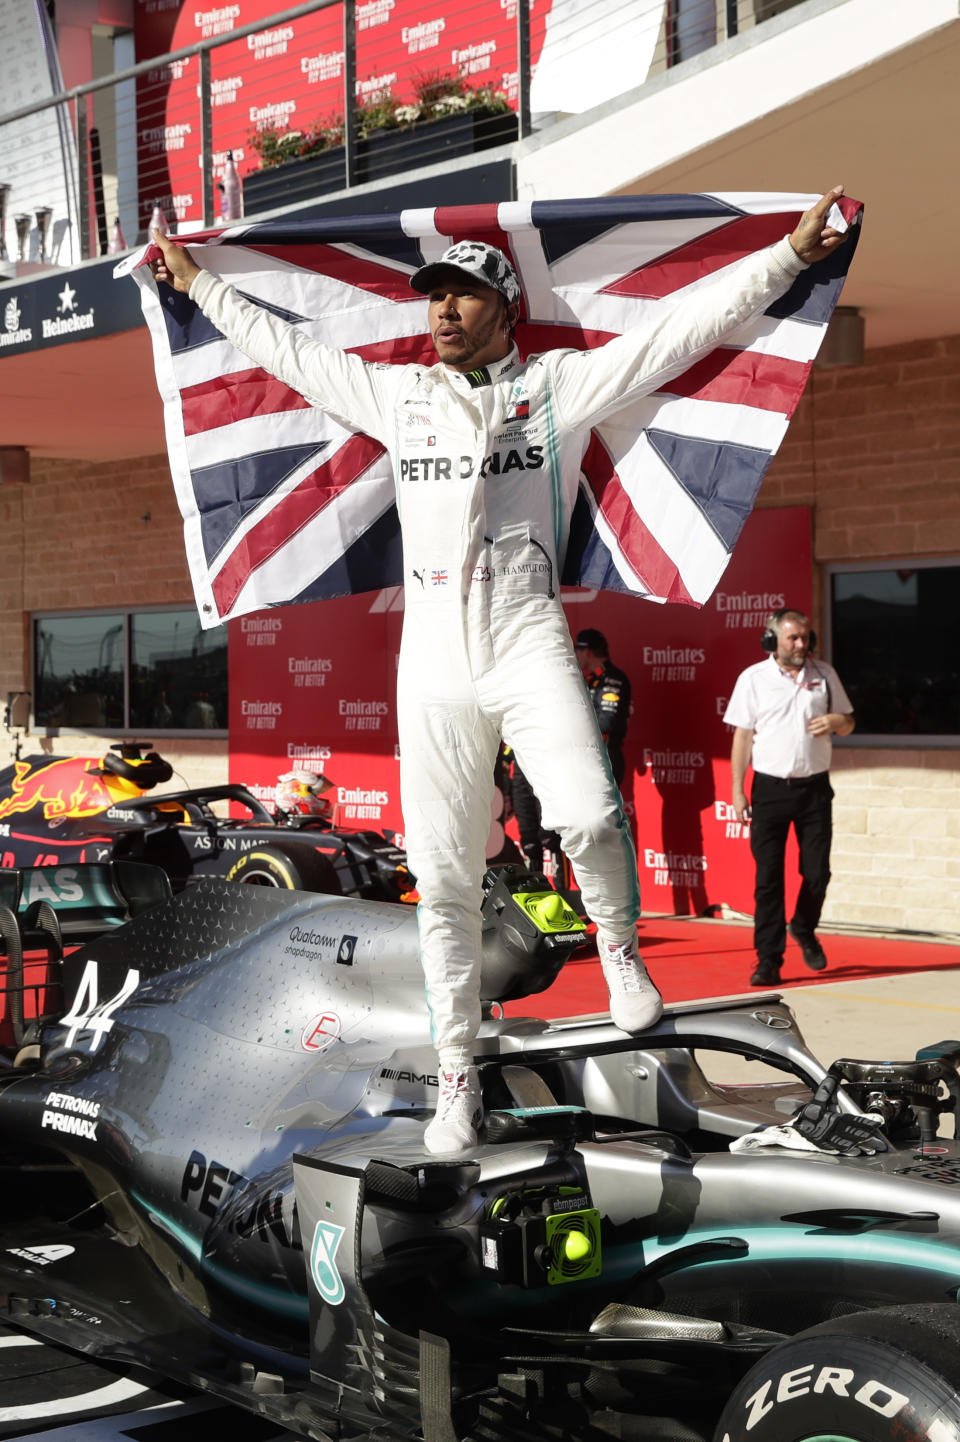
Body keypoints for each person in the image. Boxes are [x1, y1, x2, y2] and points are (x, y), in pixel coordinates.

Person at [150, 189, 848, 1153]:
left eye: (462, 298)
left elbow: (680, 330)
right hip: (431, 652)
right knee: (440, 882)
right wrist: (194, 282)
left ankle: (618, 952)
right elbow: (290, 353)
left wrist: (787, 256)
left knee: (592, 816)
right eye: (432, 299)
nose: (440, 312)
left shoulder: (559, 387)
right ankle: (454, 1083)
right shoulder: (398, 396)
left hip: (526, 630)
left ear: (504, 309)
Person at [724, 607, 855, 987]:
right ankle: (768, 959)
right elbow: (742, 737)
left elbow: (848, 722)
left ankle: (803, 926)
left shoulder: (824, 675)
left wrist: (837, 722)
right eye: (792, 638)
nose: (801, 645)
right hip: (770, 790)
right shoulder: (753, 679)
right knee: (768, 880)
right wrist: (736, 790)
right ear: (772, 640)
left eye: (805, 638)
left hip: (815, 788)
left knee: (817, 873)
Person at [574, 629, 632, 787]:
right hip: (591, 756)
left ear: (586, 651)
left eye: (576, 650)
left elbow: (606, 722)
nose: (576, 656)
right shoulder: (592, 679)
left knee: (604, 811)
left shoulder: (612, 679)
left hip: (605, 758)